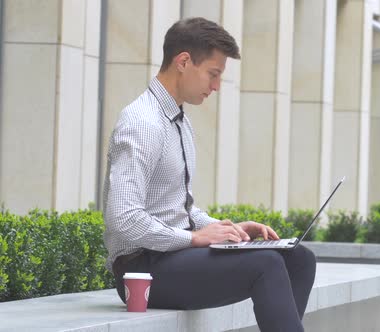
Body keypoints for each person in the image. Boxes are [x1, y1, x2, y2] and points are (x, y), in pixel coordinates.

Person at [103, 17, 316, 332]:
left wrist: (222, 230)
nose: (216, 86)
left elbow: (180, 208)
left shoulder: (178, 121)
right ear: (184, 62)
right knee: (266, 263)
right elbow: (122, 217)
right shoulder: (142, 123)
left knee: (298, 257)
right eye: (213, 74)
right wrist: (194, 239)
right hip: (142, 271)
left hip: (172, 258)